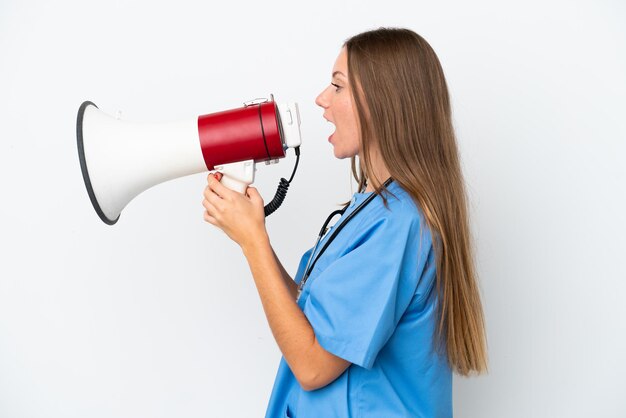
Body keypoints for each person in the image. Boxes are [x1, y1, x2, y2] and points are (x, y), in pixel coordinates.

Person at [202, 27, 488, 418]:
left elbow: (314, 365)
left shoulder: (398, 223)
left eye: (338, 86)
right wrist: (253, 236)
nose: (322, 99)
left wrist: (252, 243)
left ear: (383, 104)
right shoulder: (371, 208)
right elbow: (311, 318)